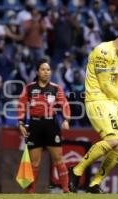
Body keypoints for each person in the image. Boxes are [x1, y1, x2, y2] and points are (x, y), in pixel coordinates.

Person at [68, 26, 118, 193]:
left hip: (111, 103)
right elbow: (105, 84)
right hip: (96, 100)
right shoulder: (102, 51)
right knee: (112, 141)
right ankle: (76, 171)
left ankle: (94, 183)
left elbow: (115, 85)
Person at [18, 59, 71, 193]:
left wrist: (66, 120)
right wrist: (20, 123)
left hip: (51, 125)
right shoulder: (29, 88)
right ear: (37, 72)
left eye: (48, 70)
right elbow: (21, 106)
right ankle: (31, 192)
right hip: (35, 125)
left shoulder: (56, 88)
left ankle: (66, 190)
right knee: (35, 162)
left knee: (58, 159)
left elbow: (64, 104)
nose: (46, 72)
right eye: (43, 69)